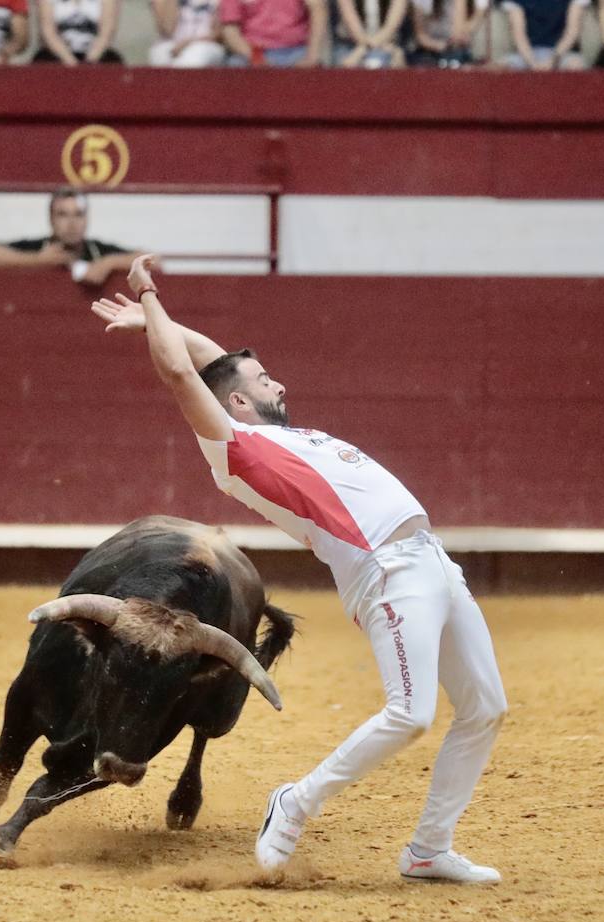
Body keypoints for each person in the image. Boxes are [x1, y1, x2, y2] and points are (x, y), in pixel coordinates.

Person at [89, 256, 508, 884]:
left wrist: (158, 320)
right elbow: (181, 370)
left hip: (432, 560)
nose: (278, 384)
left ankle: (427, 850)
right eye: (265, 380)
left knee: (484, 707)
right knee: (411, 713)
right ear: (237, 401)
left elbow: (209, 356)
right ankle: (295, 801)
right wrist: (147, 294)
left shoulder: (285, 434)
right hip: (386, 571)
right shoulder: (234, 448)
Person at [0, 188, 143, 285]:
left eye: (78, 215)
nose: (72, 223)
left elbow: (152, 261)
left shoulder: (98, 251)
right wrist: (38, 261)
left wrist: (108, 264)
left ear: (86, 219)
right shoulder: (39, 248)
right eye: (63, 215)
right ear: (51, 219)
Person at [220, 0, 329, 66]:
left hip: (297, 51)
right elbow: (230, 31)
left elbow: (318, 10)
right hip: (251, 52)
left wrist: (312, 55)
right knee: (235, 68)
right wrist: (257, 58)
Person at [500, 0, 587, 68]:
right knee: (502, 69)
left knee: (575, 66)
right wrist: (533, 63)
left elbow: (572, 31)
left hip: (562, 53)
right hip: (526, 54)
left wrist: (553, 60)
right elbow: (518, 35)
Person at [33, 0, 125, 63]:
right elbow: (48, 32)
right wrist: (70, 62)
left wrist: (90, 62)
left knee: (113, 64)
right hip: (57, 54)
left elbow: (106, 32)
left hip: (96, 54)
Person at [409, 0, 486, 67]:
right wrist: (439, 46)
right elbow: (420, 37)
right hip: (428, 52)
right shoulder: (422, 2)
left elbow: (457, 33)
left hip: (455, 52)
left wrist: (459, 2)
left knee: (457, 58)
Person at [149, 0, 228, 65]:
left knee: (192, 58)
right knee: (161, 56)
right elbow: (167, 30)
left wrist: (188, 43)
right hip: (172, 43)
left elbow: (218, 34)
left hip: (206, 44)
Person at [332, 0, 410, 66]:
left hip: (387, 42)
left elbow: (391, 27)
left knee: (393, 60)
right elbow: (354, 28)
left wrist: (366, 48)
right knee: (347, 65)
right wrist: (361, 51)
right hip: (351, 44)